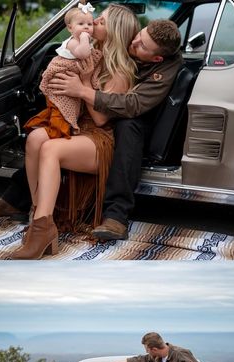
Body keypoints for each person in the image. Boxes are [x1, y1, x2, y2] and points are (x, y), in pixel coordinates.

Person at [0, 16, 183, 243]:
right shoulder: (98, 49)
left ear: (157, 58)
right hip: (98, 113)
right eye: (138, 36)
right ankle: (22, 205)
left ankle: (116, 215)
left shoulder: (163, 67)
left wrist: (81, 90)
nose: (134, 43)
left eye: (142, 46)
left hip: (131, 117)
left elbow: (132, 106)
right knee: (36, 138)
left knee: (128, 127)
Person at [10, 3, 140, 259]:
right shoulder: (89, 53)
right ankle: (38, 216)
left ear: (113, 30)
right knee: (35, 137)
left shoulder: (120, 70)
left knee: (51, 149)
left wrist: (81, 84)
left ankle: (42, 229)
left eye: (100, 22)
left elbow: (102, 119)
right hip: (80, 128)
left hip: (100, 138)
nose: (91, 24)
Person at [24, 3, 102, 139]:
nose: (86, 27)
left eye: (90, 24)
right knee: (61, 110)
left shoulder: (83, 42)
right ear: (70, 28)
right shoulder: (72, 42)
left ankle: (42, 123)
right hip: (61, 76)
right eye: (81, 24)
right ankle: (57, 132)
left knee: (59, 111)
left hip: (72, 81)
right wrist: (85, 39)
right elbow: (83, 54)